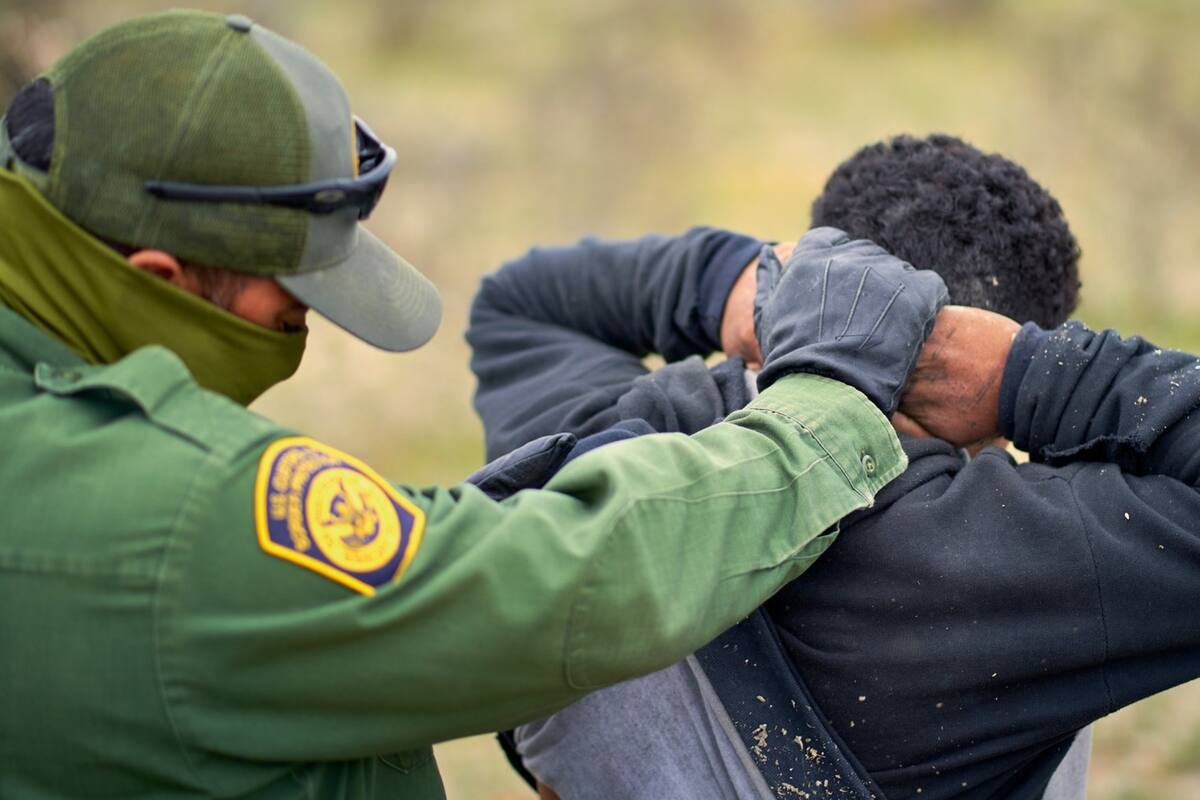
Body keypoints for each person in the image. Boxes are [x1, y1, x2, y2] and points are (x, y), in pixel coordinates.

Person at [0, 13, 963, 800]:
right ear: (159, 275)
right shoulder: (175, 515)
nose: (307, 324)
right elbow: (539, 589)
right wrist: (829, 408)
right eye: (291, 299)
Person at [467, 136, 1200, 799]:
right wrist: (1025, 374)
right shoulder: (1020, 560)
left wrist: (749, 288)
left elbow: (522, 301)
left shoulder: (617, 438)